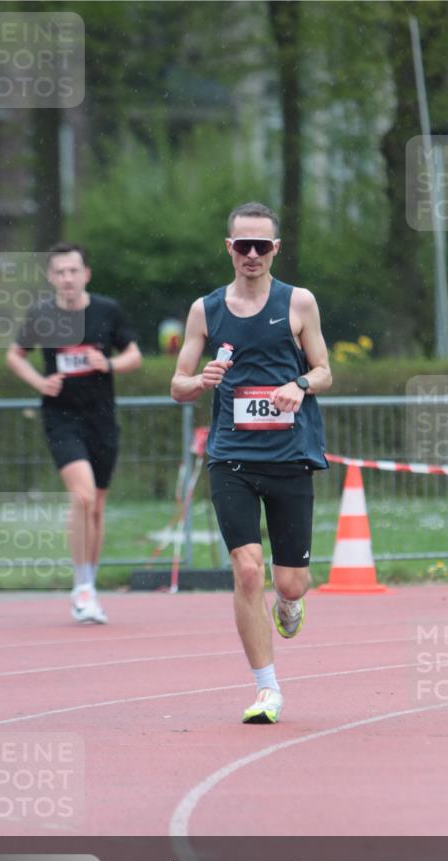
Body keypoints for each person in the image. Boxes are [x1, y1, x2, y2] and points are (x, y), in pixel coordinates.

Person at [171, 202, 332, 724]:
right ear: (229, 249)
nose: (253, 255)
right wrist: (199, 383)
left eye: (263, 245)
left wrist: (298, 384)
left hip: (289, 460)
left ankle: (289, 606)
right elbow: (178, 384)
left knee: (290, 583)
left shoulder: (298, 303)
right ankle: (267, 689)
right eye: (244, 245)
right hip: (232, 458)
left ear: (276, 249)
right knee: (246, 570)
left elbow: (325, 370)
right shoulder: (206, 310)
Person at [6, 242, 142, 623]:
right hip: (61, 417)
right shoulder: (42, 314)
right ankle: (82, 588)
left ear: (86, 274)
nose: (67, 278)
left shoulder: (106, 310)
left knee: (96, 506)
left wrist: (109, 362)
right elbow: (14, 355)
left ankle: (89, 586)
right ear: (51, 277)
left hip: (101, 418)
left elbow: (135, 355)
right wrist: (39, 381)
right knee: (81, 497)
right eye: (59, 272)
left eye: (73, 271)